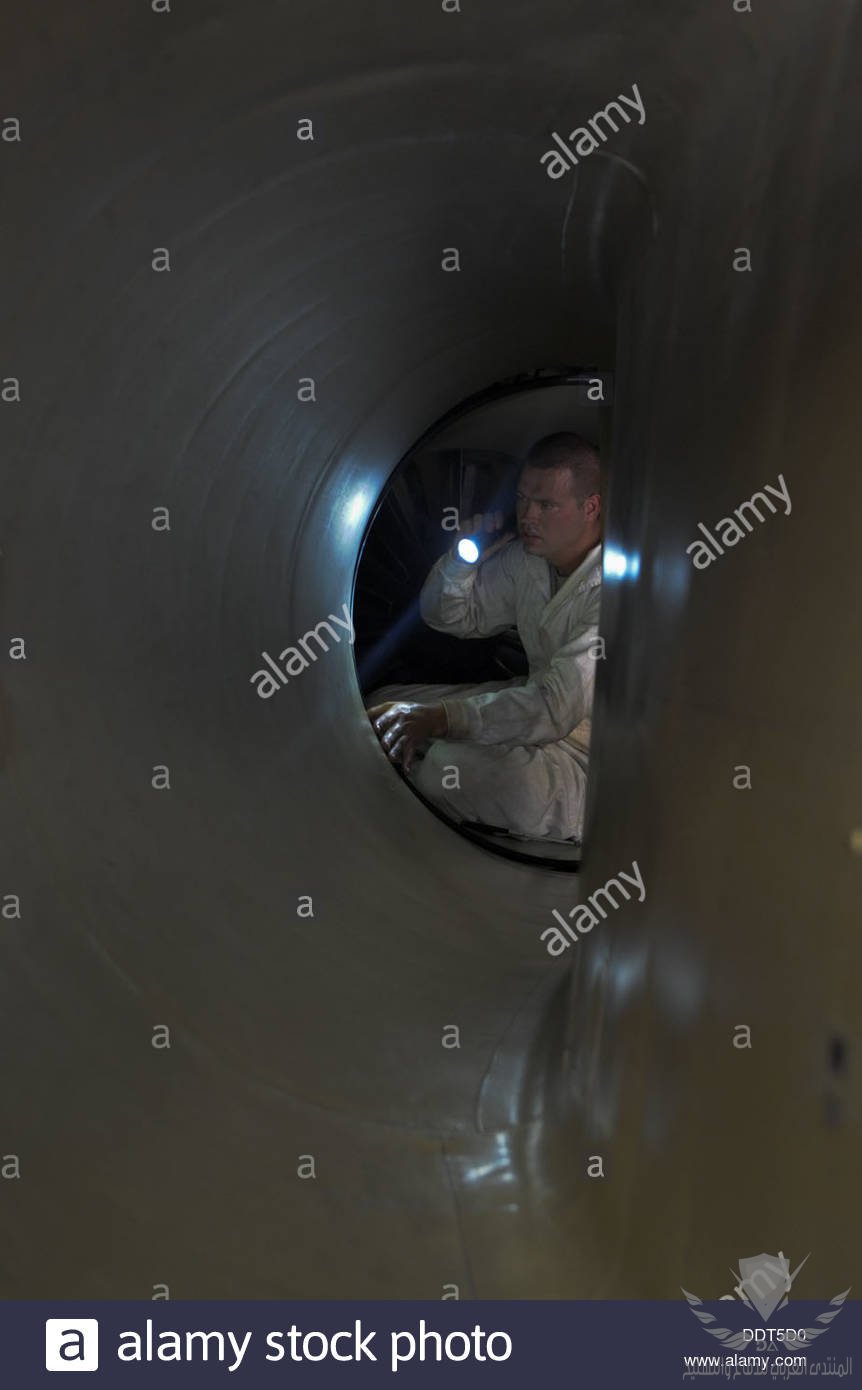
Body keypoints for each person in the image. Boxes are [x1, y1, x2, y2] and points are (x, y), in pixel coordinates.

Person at [365, 432, 603, 843]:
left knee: (447, 769)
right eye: (523, 499)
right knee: (380, 707)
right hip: (529, 701)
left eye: (546, 505)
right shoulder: (528, 561)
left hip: (589, 755)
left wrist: (444, 719)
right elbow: (450, 616)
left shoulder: (611, 590)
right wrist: (461, 561)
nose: (528, 515)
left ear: (590, 507)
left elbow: (555, 708)